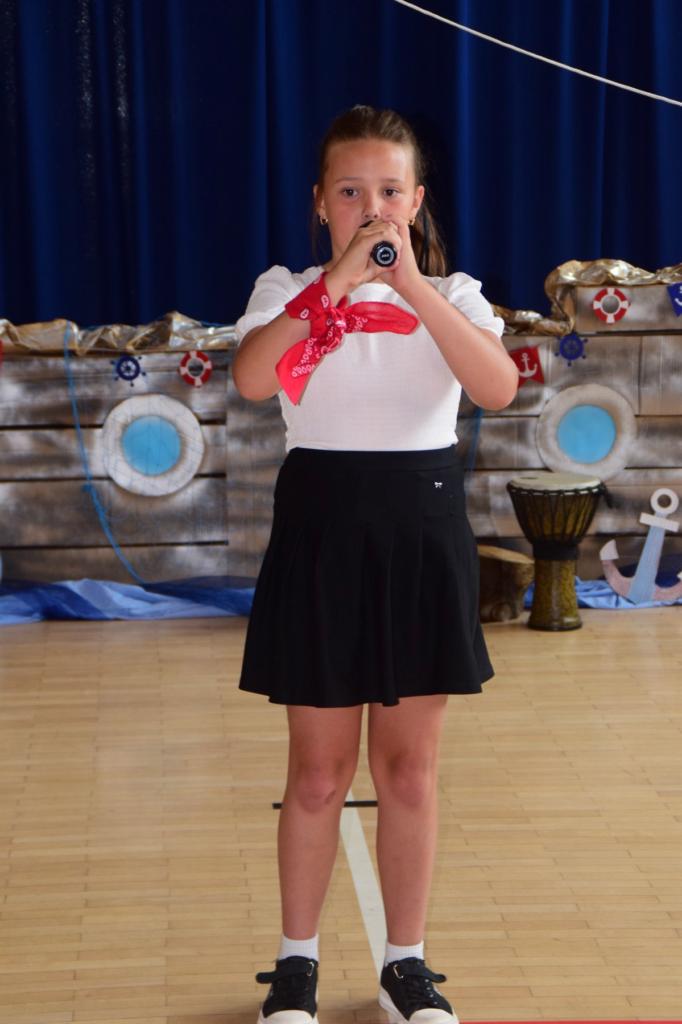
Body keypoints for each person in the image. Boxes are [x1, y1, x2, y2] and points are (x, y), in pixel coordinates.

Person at [232, 105, 518, 1024]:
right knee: (318, 774)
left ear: (416, 201)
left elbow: (497, 385)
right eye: (351, 192)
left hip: (421, 533)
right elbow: (252, 377)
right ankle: (296, 966)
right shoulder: (286, 290)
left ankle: (407, 965)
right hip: (320, 532)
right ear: (321, 203)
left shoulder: (458, 293)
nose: (371, 208)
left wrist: (411, 286)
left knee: (408, 772)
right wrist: (339, 285)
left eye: (389, 191)